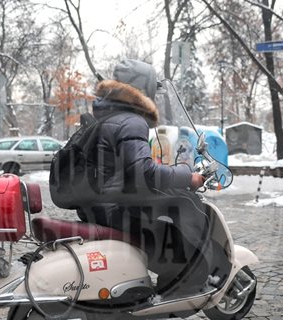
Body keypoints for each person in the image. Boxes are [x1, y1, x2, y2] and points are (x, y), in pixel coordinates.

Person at [75, 59, 226, 296]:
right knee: (185, 207)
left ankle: (173, 279)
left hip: (98, 205)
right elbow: (143, 173)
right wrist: (189, 177)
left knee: (171, 203)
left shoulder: (108, 116)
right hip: (115, 209)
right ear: (142, 90)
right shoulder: (130, 119)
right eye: (152, 90)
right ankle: (189, 280)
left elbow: (126, 167)